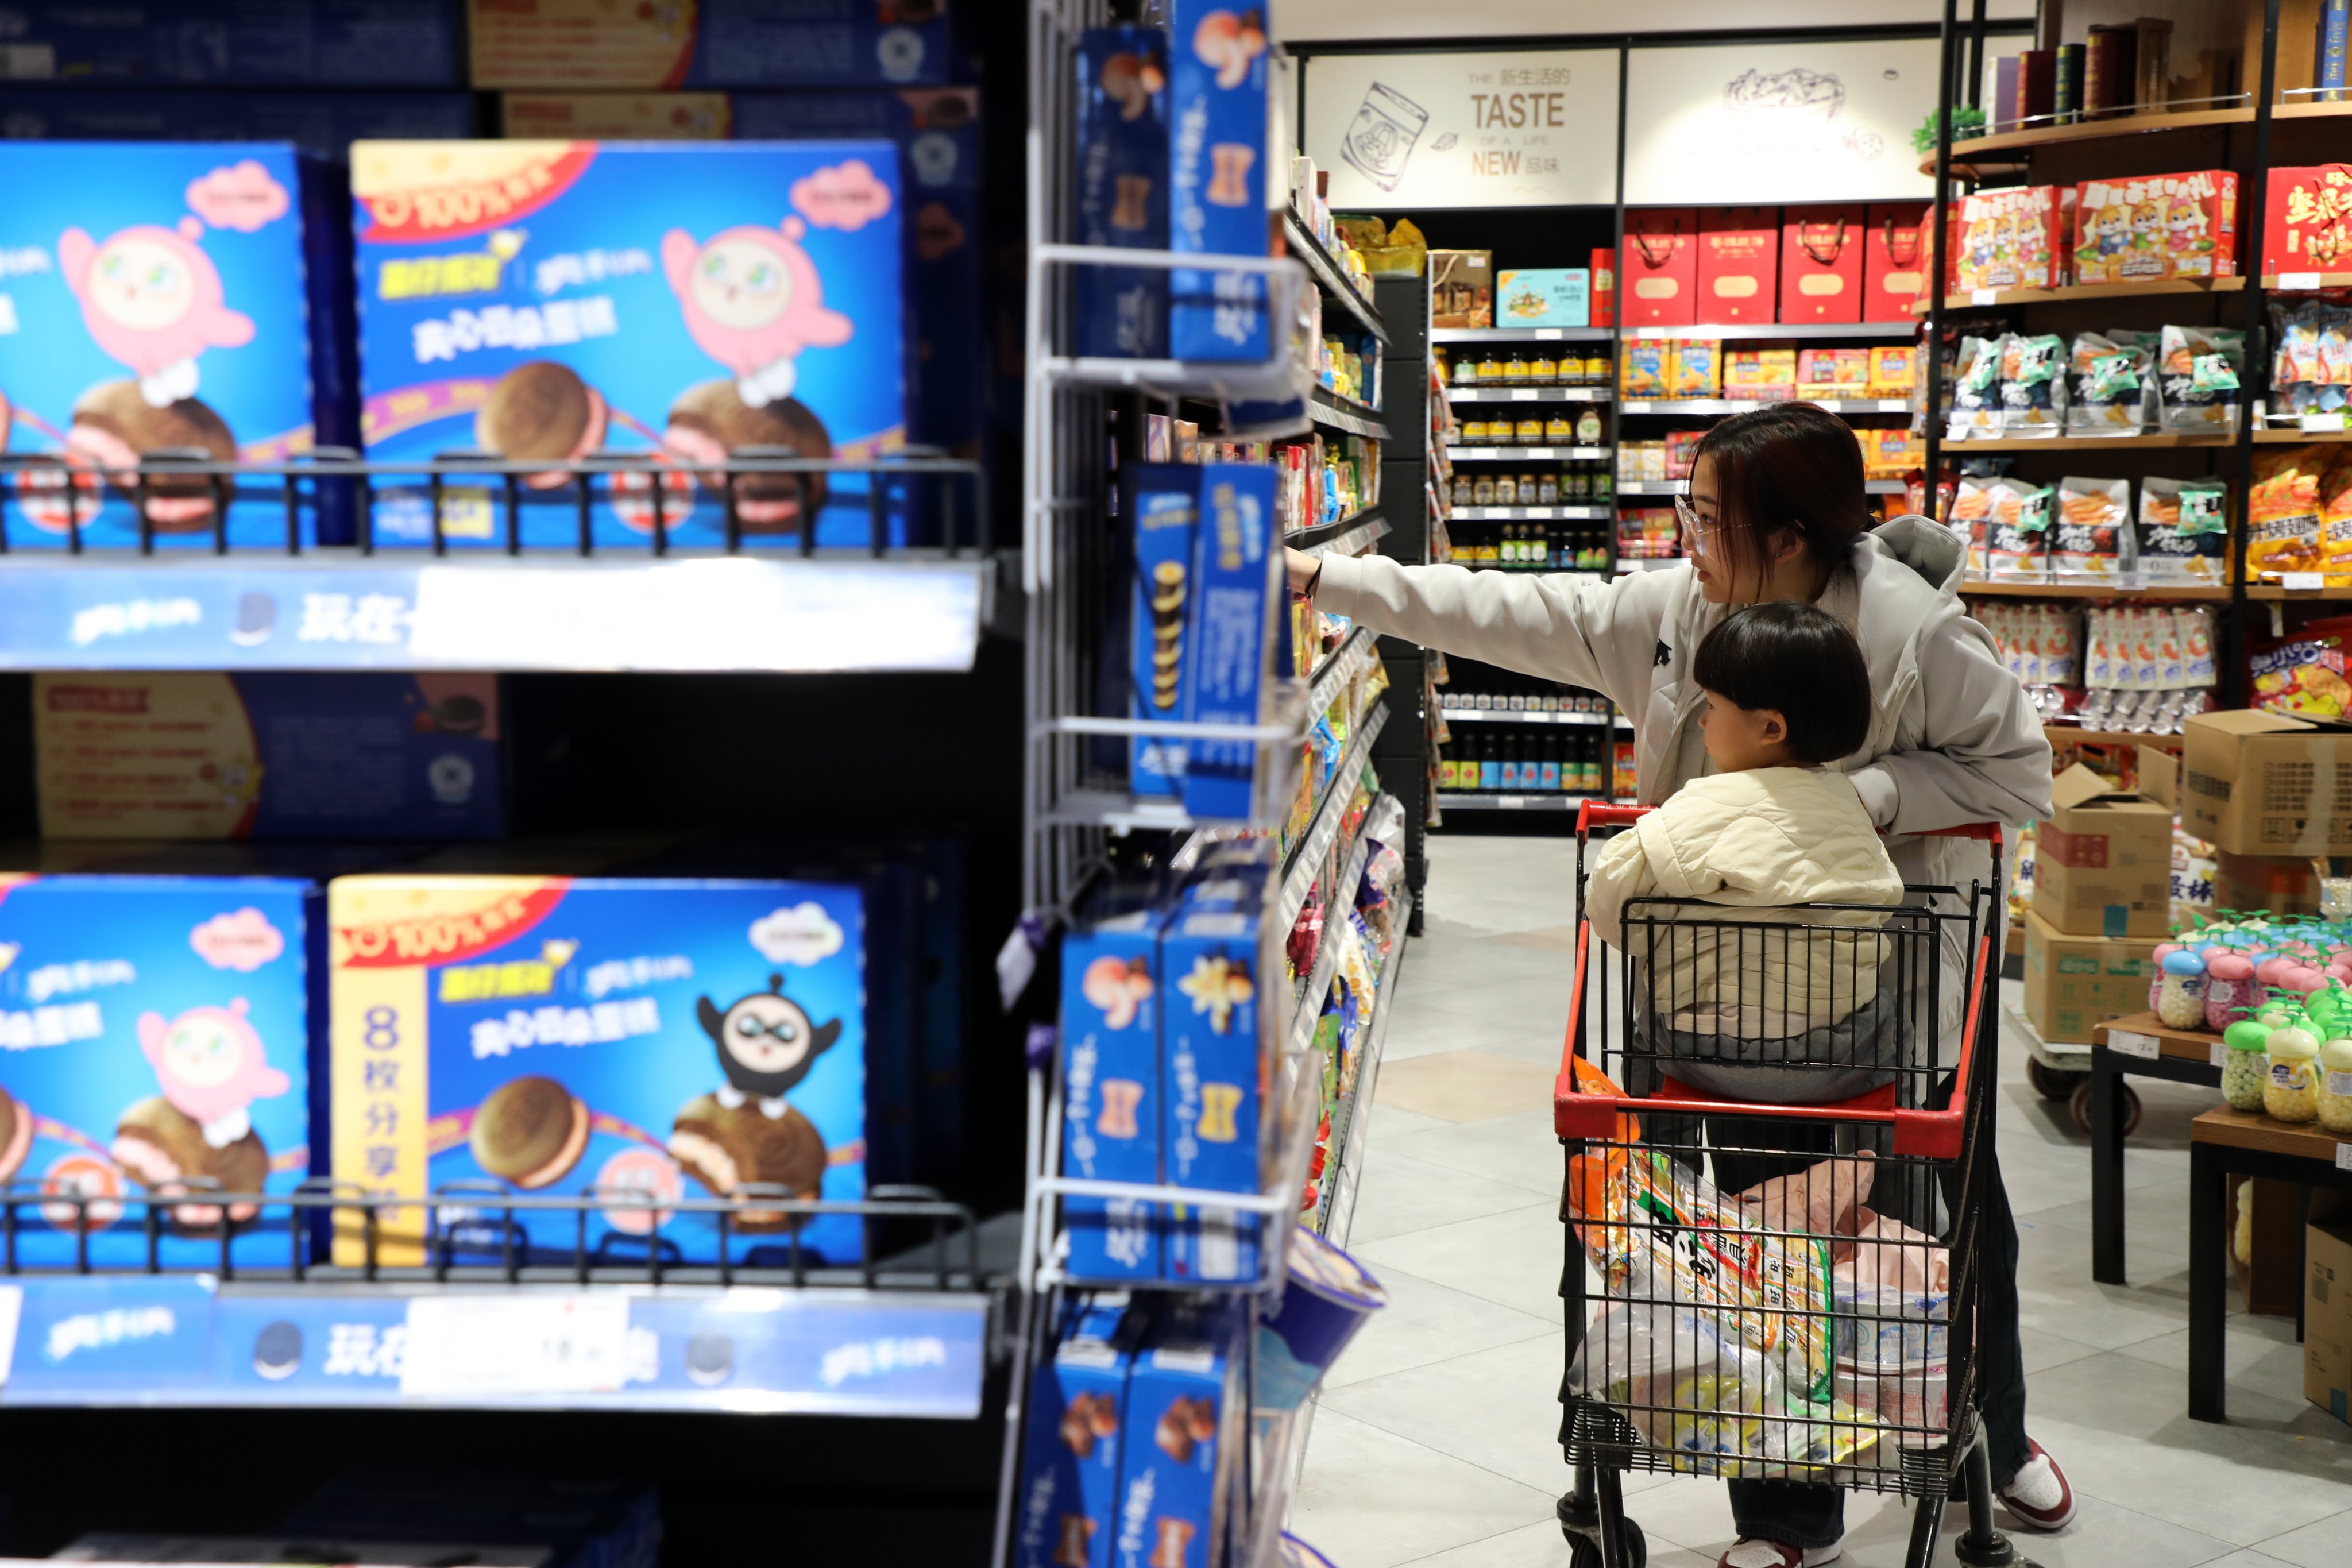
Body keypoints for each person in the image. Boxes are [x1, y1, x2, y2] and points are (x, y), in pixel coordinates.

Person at [1287, 403, 2072, 1568]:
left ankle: (1987, 1435)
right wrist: (1328, 580)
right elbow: (1519, 611)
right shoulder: (1678, 611)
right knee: (1759, 1233)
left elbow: (2020, 774)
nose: (1685, 536)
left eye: (1708, 518)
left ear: (1791, 538)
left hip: (1890, 979)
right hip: (1717, 988)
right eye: (1687, 512)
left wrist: (1858, 801)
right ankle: (1789, 1514)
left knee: (1948, 1218)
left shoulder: (1912, 635)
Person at [1584, 601, 1905, 1106]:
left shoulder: (1696, 805)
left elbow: (1610, 911)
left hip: (1698, 1052)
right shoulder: (1852, 809)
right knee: (1890, 1013)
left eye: (1712, 706)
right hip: (1834, 1056)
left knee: (1646, 1019)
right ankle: (1862, 1158)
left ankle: (1664, 1147)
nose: (1704, 722)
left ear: (1770, 729)